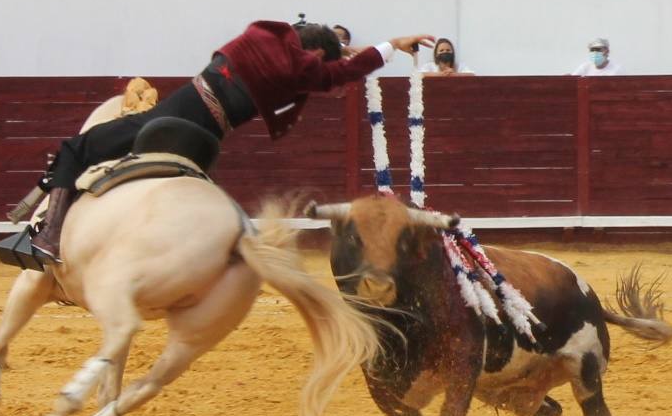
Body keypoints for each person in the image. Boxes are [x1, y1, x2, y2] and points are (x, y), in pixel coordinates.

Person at [29, 20, 433, 263]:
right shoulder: (302, 68)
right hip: (207, 140)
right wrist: (387, 47)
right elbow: (331, 71)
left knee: (77, 148)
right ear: (313, 52)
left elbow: (320, 60)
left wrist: (367, 48)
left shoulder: (259, 33)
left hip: (174, 115)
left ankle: (48, 237)